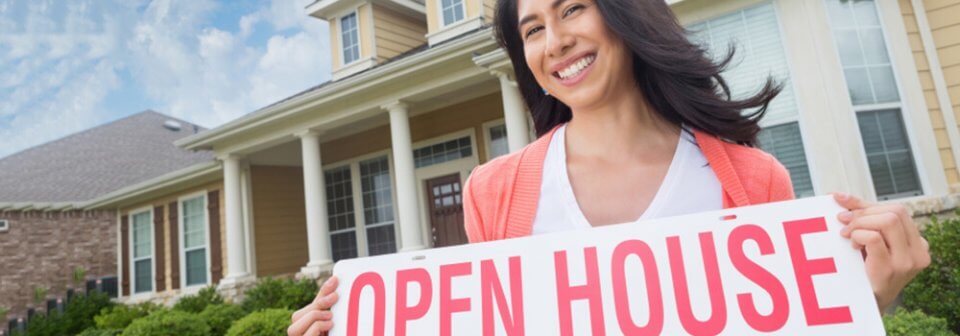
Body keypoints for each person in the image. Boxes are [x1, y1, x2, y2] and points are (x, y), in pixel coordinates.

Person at [288, 0, 930, 334]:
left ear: (624, 16)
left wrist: (868, 297)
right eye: (532, 28)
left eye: (572, 9)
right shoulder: (494, 190)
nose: (555, 41)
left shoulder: (754, 176)